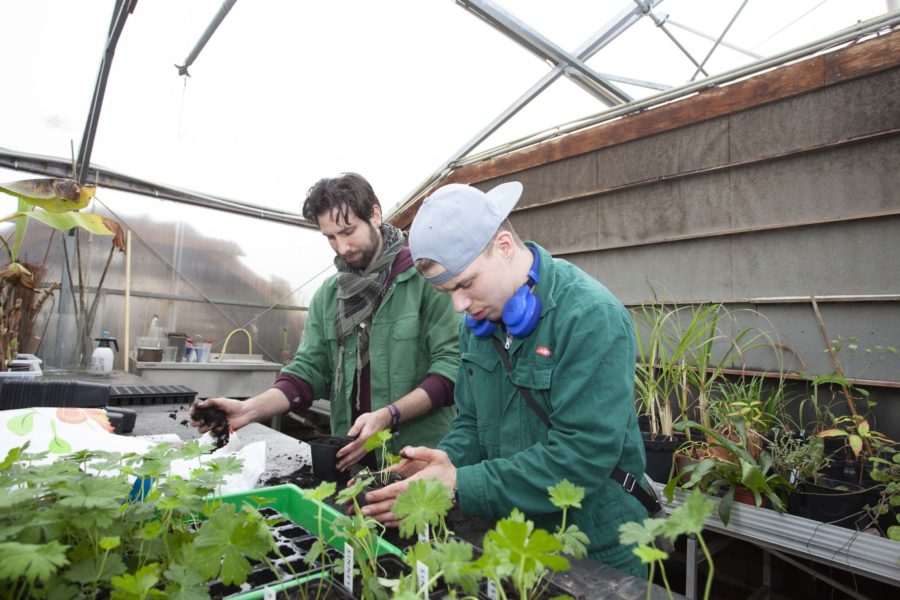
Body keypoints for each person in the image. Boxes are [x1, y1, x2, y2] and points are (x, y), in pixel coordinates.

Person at [361, 181, 649, 577]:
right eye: (447, 291)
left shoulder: (589, 317)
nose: (459, 305)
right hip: (513, 536)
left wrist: (460, 482)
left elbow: (582, 455)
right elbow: (472, 423)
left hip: (596, 548)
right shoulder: (480, 323)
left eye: (464, 284)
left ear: (504, 247)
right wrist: (446, 460)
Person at [192, 173, 460, 470]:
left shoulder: (425, 280)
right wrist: (248, 409)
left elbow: (450, 371)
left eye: (348, 232)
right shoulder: (329, 296)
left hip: (415, 460)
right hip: (350, 461)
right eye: (331, 237)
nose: (342, 247)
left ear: (375, 214)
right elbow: (309, 370)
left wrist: (389, 415)